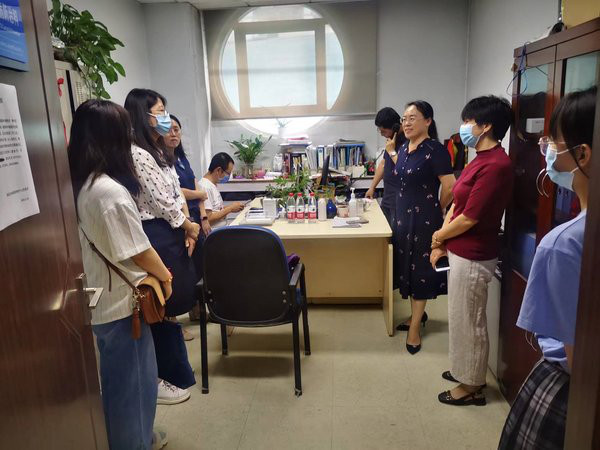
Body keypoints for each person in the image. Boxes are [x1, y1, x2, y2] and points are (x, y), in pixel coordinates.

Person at [67, 99, 170, 450]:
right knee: (134, 388)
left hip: (101, 301)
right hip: (124, 308)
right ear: (112, 138)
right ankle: (134, 442)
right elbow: (139, 251)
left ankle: (134, 438)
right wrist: (166, 277)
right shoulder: (109, 191)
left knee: (116, 385)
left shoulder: (80, 184)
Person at [498, 87, 595, 448]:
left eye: (552, 141)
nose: (546, 148)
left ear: (582, 153)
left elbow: (577, 359)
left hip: (571, 394)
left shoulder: (565, 244)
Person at [429, 95, 514, 406]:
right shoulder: (478, 158)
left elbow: (470, 217)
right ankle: (463, 369)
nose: (464, 127)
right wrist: (440, 242)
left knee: (471, 321)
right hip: (459, 250)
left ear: (486, 125)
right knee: (459, 317)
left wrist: (438, 236)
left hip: (475, 254)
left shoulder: (498, 165)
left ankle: (472, 385)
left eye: (468, 121)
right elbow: (456, 204)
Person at [124, 88, 198, 405]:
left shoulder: (159, 151)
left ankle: (175, 373)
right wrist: (187, 225)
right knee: (161, 305)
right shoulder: (137, 154)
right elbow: (160, 202)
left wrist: (188, 225)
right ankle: (162, 377)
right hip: (156, 231)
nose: (165, 117)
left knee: (172, 304)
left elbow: (176, 194)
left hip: (174, 228)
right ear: (143, 115)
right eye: (159, 111)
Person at [393, 100, 455, 354]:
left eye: (412, 118)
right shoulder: (404, 148)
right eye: (404, 119)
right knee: (407, 270)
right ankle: (415, 316)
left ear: (428, 121)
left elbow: (450, 186)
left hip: (424, 221)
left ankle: (415, 329)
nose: (406, 123)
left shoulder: (436, 150)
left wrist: (438, 207)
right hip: (402, 219)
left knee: (420, 272)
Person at [164, 114, 211, 322]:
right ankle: (172, 320)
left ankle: (198, 311)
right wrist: (199, 194)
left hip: (194, 219)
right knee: (180, 269)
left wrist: (203, 215)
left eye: (177, 129)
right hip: (178, 220)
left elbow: (195, 186)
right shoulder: (161, 161)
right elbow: (178, 191)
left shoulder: (182, 159)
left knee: (199, 265)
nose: (173, 134)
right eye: (169, 130)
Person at [366, 107, 407, 226]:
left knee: (395, 234)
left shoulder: (408, 142)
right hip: (388, 197)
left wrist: (392, 151)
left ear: (395, 127)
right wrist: (372, 187)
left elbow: (405, 167)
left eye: (383, 131)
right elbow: (384, 164)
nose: (382, 134)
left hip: (399, 200)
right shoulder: (391, 141)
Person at [200, 152, 245, 228]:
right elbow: (208, 218)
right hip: (215, 232)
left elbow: (216, 210)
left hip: (222, 228)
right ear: (219, 170)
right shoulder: (205, 187)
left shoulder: (212, 185)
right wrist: (230, 209)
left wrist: (231, 207)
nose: (228, 177)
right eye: (228, 174)